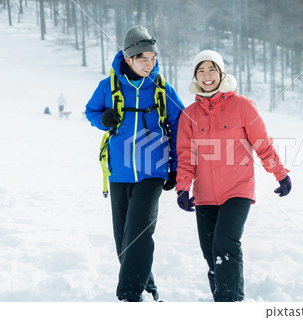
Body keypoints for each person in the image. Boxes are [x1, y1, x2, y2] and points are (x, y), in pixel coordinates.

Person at [175, 50, 291, 302]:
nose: (207, 76)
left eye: (212, 69)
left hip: (237, 189)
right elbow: (186, 156)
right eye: (201, 70)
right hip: (204, 194)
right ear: (195, 76)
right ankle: (225, 298)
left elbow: (262, 142)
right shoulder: (189, 114)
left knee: (225, 244)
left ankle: (231, 304)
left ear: (221, 73)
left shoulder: (242, 106)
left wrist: (279, 173)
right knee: (210, 252)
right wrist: (183, 188)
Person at [85, 26, 184, 302]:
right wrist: (101, 119)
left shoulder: (162, 88)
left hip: (153, 170)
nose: (150, 64)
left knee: (139, 231)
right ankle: (148, 287)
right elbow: (90, 111)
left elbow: (180, 124)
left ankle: (129, 295)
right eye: (144, 59)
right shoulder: (108, 86)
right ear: (128, 59)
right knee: (123, 237)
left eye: (153, 58)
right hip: (118, 171)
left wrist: (175, 166)